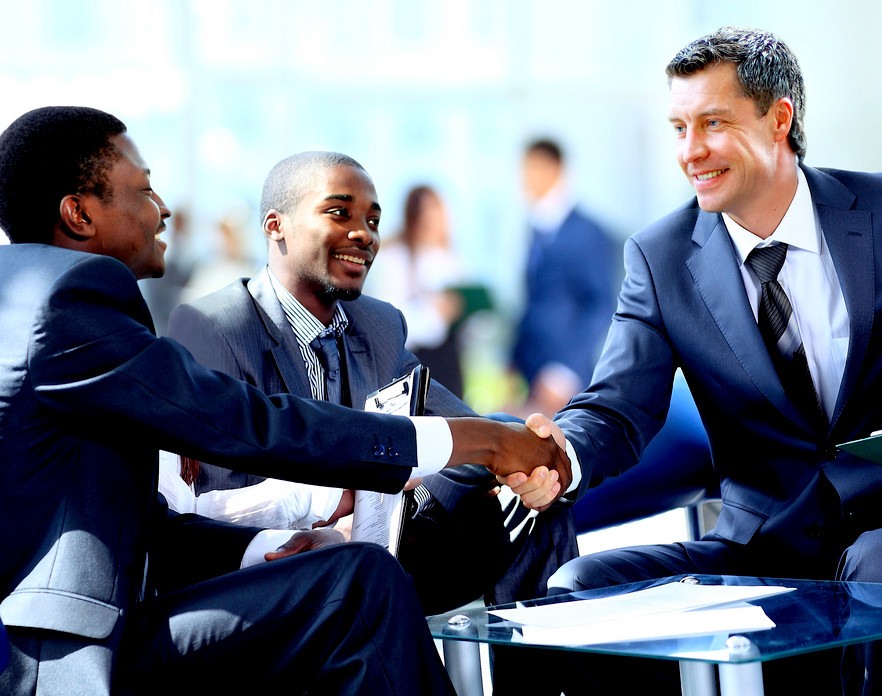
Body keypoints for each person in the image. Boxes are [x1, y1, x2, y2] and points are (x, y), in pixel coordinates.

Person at [0, 105, 568, 695]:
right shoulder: (67, 303)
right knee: (358, 586)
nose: (163, 207)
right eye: (144, 189)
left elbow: (146, 530)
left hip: (115, 627)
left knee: (353, 573)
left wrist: (268, 547)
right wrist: (478, 439)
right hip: (63, 660)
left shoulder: (34, 297)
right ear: (79, 213)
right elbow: (247, 424)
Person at [524, 26, 882, 695]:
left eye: (713, 123)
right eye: (678, 127)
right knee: (581, 583)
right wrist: (560, 456)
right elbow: (617, 406)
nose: (690, 151)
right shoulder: (660, 257)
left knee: (881, 569)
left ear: (779, 117)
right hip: (759, 545)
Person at [166, 152, 578, 615]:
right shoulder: (213, 326)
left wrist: (534, 466)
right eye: (339, 212)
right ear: (274, 225)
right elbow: (210, 511)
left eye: (373, 219)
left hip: (382, 548)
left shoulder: (378, 324)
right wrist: (343, 512)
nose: (364, 233)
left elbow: (465, 429)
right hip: (281, 572)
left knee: (528, 497)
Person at [507, 137, 621, 418]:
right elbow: (534, 303)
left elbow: (599, 306)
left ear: (554, 169)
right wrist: (511, 362)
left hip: (563, 379)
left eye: (533, 169)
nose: (526, 179)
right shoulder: (535, 228)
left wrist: (564, 371)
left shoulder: (587, 232)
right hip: (530, 373)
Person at [363, 183, 472, 397]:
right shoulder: (394, 258)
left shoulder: (453, 261)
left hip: (450, 365)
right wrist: (435, 314)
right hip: (413, 366)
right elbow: (390, 321)